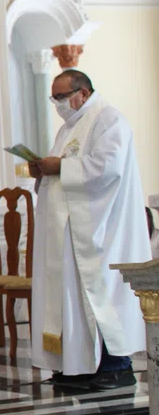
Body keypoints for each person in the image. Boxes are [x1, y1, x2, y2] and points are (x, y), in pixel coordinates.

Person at [29, 70, 148, 390]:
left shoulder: (109, 120)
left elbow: (107, 169)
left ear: (82, 93)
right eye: (54, 98)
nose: (58, 104)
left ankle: (115, 366)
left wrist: (61, 167)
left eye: (62, 97)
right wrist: (42, 171)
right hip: (68, 233)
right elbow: (61, 173)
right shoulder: (70, 128)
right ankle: (76, 365)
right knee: (71, 298)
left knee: (101, 295)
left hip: (100, 232)